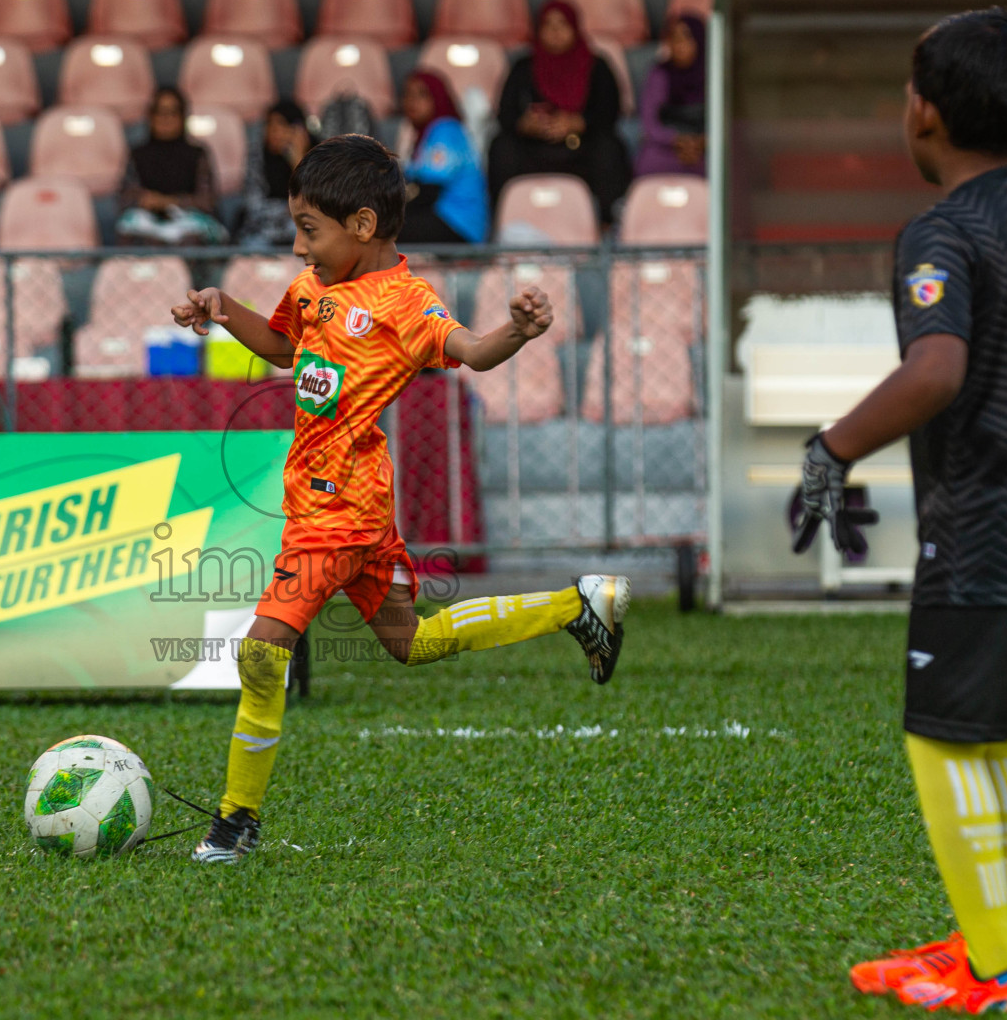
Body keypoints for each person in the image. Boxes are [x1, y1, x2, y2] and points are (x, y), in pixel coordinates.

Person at [170, 135, 631, 864]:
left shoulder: (405, 305)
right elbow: (286, 348)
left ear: (360, 225)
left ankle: (234, 823)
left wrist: (518, 327)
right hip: (347, 504)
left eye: (308, 230)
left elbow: (473, 351)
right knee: (410, 642)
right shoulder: (316, 286)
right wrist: (224, 308)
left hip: (339, 515)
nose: (296, 247)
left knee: (262, 654)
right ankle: (578, 605)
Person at [791, 9, 1007, 1014]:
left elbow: (936, 368)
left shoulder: (941, 230)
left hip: (992, 517)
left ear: (924, 113)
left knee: (944, 736)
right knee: (985, 737)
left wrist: (833, 446)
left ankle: (1000, 974)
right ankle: (991, 947)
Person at [487, 0, 631, 224]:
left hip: (580, 147)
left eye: (562, 24)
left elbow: (610, 111)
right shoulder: (524, 66)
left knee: (610, 148)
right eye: (548, 25)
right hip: (534, 148)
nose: (555, 31)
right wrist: (526, 124)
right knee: (501, 147)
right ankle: (504, 220)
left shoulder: (596, 65)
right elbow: (506, 114)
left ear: (575, 28)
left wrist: (578, 123)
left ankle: (606, 224)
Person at [115, 86, 227, 246]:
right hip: (149, 222)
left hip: (187, 222)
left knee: (194, 237)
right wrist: (147, 201)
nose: (165, 119)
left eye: (172, 112)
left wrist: (170, 202)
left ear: (183, 116)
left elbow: (207, 201)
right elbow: (126, 198)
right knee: (131, 228)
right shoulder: (138, 154)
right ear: (151, 116)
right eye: (160, 112)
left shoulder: (197, 153)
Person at [399, 70, 487, 244]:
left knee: (382, 232)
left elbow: (428, 191)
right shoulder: (424, 135)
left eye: (422, 95)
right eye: (407, 94)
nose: (412, 101)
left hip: (458, 223)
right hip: (440, 218)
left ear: (438, 98)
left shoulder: (445, 129)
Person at [635, 15, 707, 178]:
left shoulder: (713, 76)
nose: (679, 44)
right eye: (674, 38)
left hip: (703, 148)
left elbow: (722, 122)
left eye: (686, 38)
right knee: (648, 163)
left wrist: (701, 142)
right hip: (667, 145)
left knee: (721, 166)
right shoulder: (659, 74)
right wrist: (677, 140)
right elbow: (649, 123)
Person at [236, 100, 313, 248]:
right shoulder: (258, 157)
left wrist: (298, 163)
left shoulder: (318, 156)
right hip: (263, 227)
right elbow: (254, 204)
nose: (273, 132)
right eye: (269, 125)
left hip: (302, 226)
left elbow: (318, 205)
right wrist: (290, 210)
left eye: (282, 125)